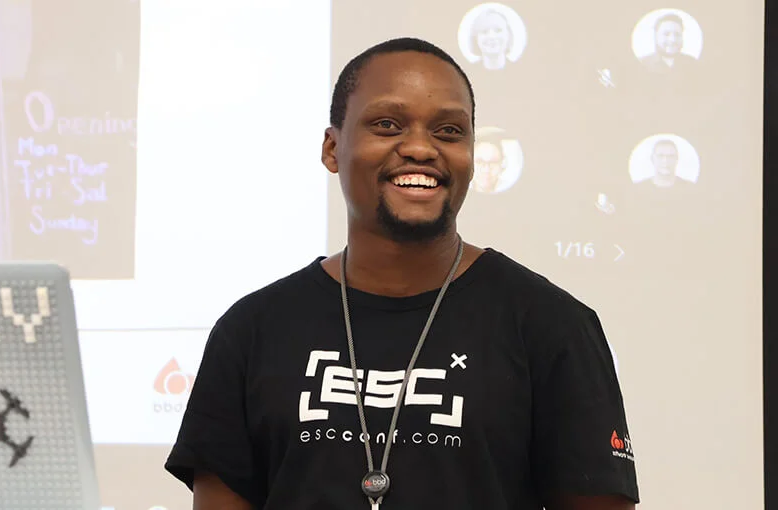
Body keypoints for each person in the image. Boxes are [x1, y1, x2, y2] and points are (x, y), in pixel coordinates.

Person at [164, 37, 639, 509]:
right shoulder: (252, 330)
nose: (419, 148)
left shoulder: (552, 326)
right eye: (387, 125)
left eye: (449, 131)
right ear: (332, 149)